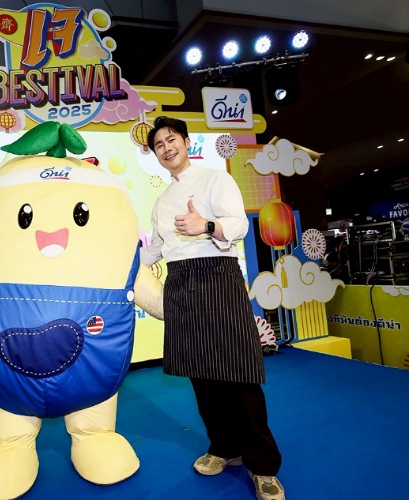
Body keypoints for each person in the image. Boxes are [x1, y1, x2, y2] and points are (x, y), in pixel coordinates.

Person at [141, 116, 284, 500]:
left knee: (238, 375)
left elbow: (238, 225)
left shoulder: (215, 179)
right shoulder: (161, 202)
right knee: (201, 376)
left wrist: (205, 226)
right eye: (159, 145)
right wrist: (124, 260)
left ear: (187, 142)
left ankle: (263, 466)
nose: (166, 148)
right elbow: (155, 248)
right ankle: (225, 447)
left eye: (171, 139)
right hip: (180, 282)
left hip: (218, 277)